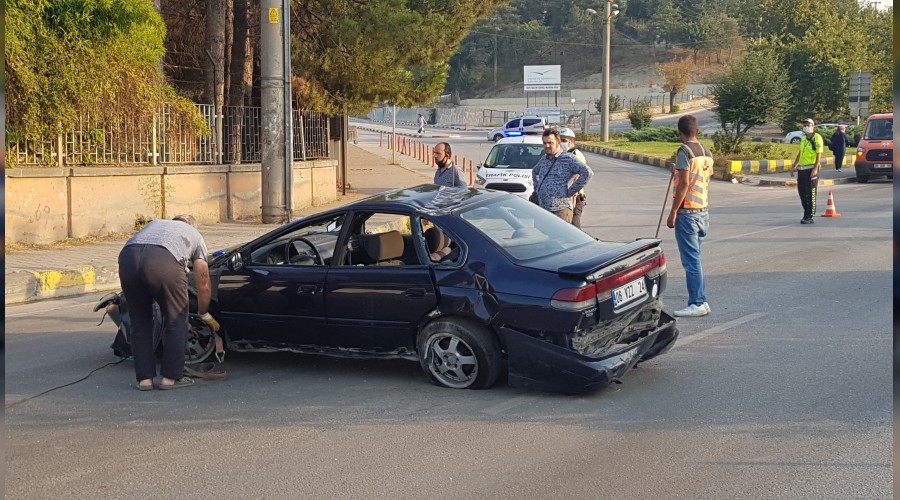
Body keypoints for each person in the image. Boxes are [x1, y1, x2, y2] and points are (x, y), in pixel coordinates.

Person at [117, 214, 220, 390]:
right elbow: (203, 282)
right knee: (176, 318)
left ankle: (144, 380)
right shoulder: (194, 234)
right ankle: (171, 378)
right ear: (192, 226)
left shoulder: (155, 224)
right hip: (163, 261)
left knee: (140, 321)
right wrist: (204, 312)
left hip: (128, 258)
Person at [667, 115, 713, 318]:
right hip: (703, 210)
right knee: (696, 259)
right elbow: (698, 178)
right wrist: (677, 171)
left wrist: (673, 211)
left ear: (680, 133)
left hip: (688, 213)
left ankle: (697, 302)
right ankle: (700, 299)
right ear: (697, 131)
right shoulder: (706, 152)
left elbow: (685, 183)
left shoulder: (684, 151)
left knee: (691, 261)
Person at [531, 128, 593, 223]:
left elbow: (587, 173)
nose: (547, 146)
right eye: (544, 143)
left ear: (558, 142)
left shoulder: (568, 159)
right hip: (542, 209)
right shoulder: (544, 159)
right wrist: (537, 188)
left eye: (550, 143)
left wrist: (570, 191)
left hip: (560, 210)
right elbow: (535, 171)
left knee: (561, 238)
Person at [790, 118, 824, 224]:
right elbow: (800, 152)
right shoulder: (804, 138)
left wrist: (815, 168)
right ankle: (806, 213)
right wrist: (794, 165)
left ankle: (809, 216)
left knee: (811, 193)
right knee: (802, 193)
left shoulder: (817, 138)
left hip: (811, 169)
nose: (806, 127)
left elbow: (819, 153)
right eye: (805, 125)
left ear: (813, 126)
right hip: (802, 169)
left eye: (808, 125)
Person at [559, 127, 588, 228]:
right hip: (565, 196)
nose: (561, 143)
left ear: (571, 141)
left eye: (564, 140)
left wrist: (574, 194)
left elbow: (580, 175)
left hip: (576, 196)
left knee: (574, 223)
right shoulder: (563, 154)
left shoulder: (576, 155)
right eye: (560, 140)